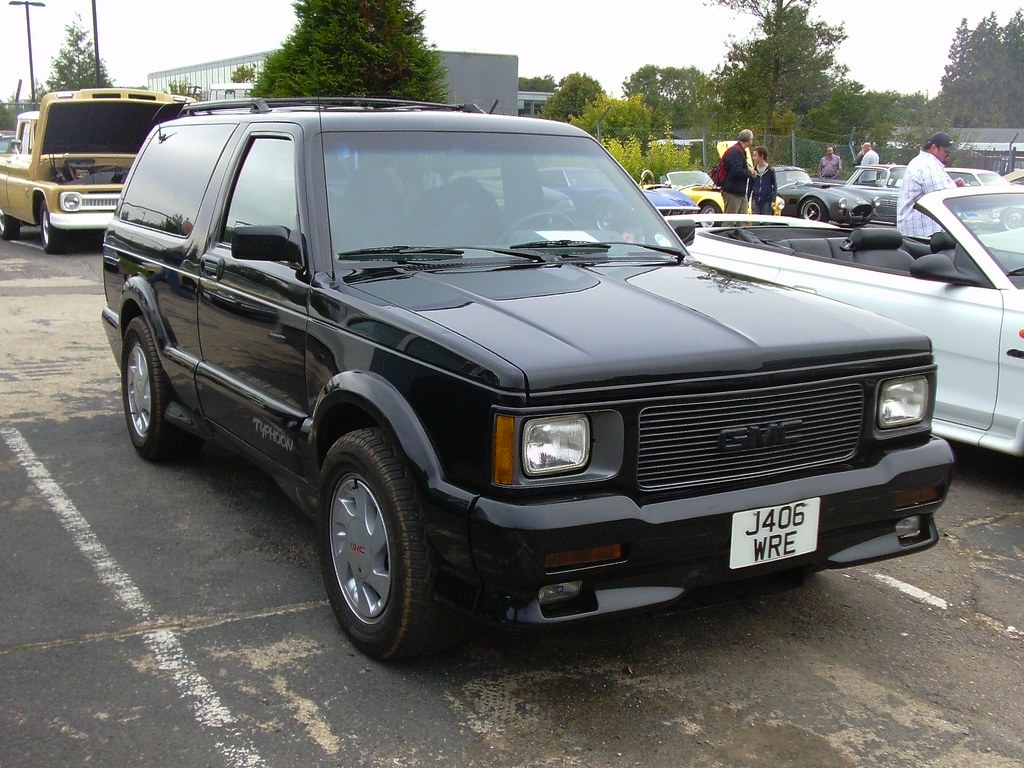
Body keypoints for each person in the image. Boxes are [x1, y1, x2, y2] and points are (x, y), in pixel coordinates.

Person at [896, 131, 967, 237]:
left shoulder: (924, 163)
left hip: (918, 230)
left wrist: (953, 184)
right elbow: (941, 198)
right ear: (934, 148)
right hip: (923, 232)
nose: (949, 154)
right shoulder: (928, 166)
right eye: (946, 150)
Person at [721, 128, 755, 214]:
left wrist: (748, 169)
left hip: (741, 192)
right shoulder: (735, 152)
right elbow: (736, 171)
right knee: (730, 221)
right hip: (732, 192)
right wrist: (749, 173)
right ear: (749, 140)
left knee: (743, 221)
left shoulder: (741, 151)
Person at [750, 146, 777, 215]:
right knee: (755, 221)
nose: (753, 158)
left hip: (767, 200)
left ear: (761, 156)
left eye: (755, 155)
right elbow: (750, 185)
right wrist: (747, 198)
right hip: (755, 199)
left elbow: (775, 186)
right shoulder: (754, 170)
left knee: (766, 221)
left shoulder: (770, 170)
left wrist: (773, 200)